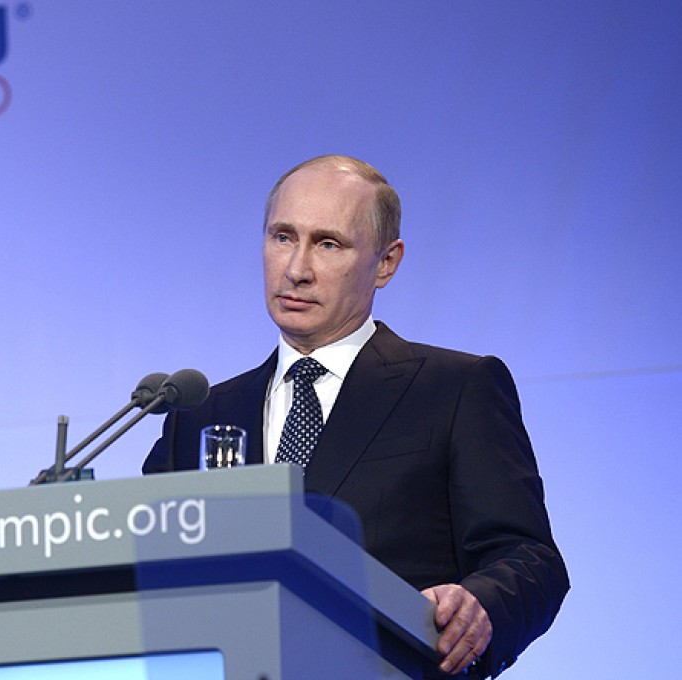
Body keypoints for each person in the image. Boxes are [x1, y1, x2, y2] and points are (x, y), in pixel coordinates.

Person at [142, 155, 569, 679]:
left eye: (328, 244)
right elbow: (148, 573)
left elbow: (530, 559)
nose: (296, 269)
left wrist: (480, 605)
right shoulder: (198, 412)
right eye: (282, 237)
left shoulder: (455, 388)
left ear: (386, 262)